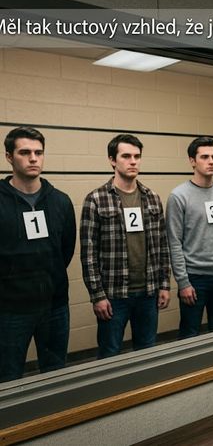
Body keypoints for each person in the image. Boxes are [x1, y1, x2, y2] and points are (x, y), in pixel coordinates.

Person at [80, 134, 170, 359]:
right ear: (112, 160)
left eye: (137, 157)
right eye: (126, 156)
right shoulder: (96, 199)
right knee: (110, 354)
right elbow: (88, 254)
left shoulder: (152, 198)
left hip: (148, 292)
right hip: (114, 296)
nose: (133, 162)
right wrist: (97, 296)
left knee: (147, 352)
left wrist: (164, 285)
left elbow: (162, 245)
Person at [0, 127, 76, 382]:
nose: (33, 158)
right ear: (9, 157)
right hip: (10, 310)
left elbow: (65, 250)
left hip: (55, 306)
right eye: (25, 152)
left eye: (38, 152)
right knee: (8, 377)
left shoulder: (60, 201)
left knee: (55, 375)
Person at [166, 137, 213, 337]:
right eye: (205, 157)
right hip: (195, 278)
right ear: (192, 161)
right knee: (189, 335)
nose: (211, 161)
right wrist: (183, 282)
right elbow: (174, 242)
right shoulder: (179, 196)